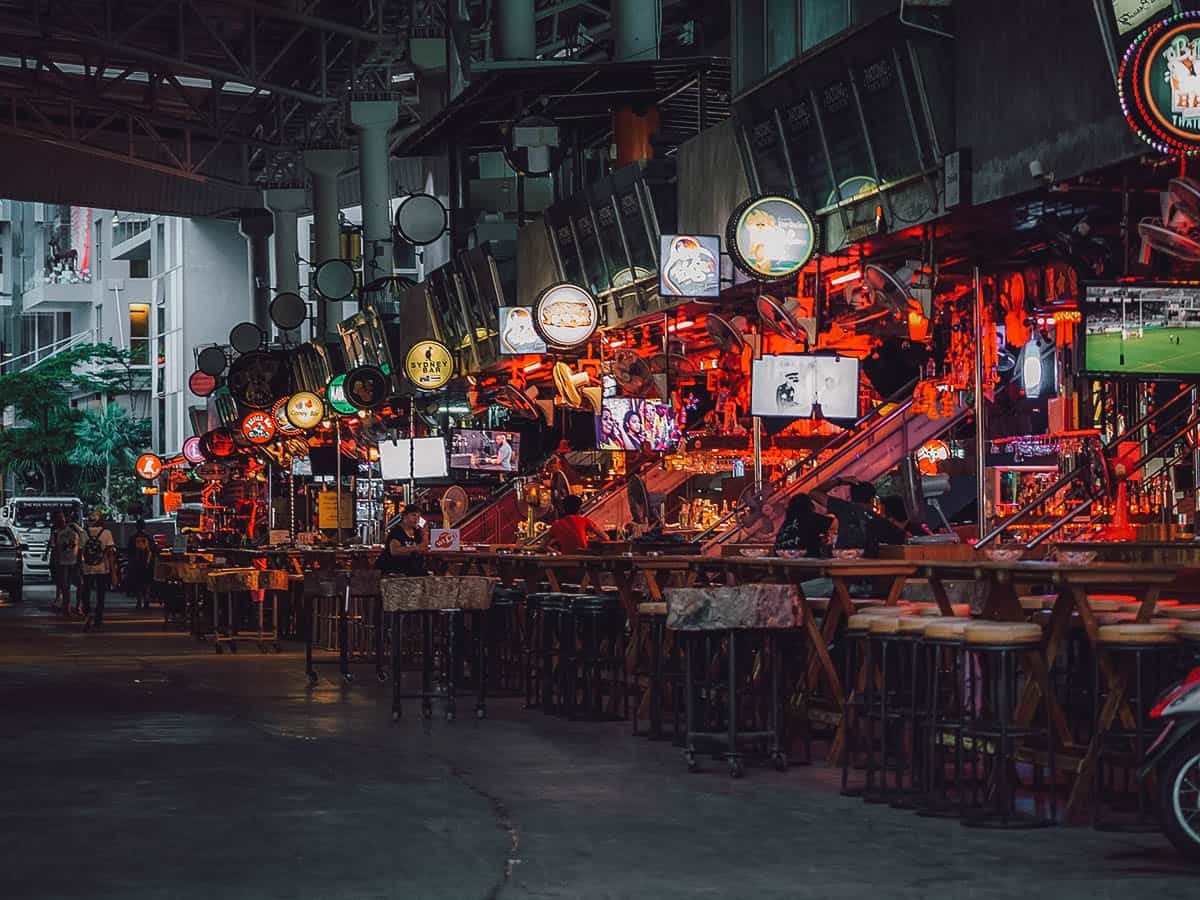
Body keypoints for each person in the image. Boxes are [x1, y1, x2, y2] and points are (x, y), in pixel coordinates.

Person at [812, 477, 880, 556]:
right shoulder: (874, 517)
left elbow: (814, 492)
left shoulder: (843, 507)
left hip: (842, 556)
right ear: (872, 499)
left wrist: (840, 481)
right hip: (869, 560)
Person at [79, 510, 115, 631]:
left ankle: (87, 613)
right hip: (102, 568)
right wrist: (114, 573)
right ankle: (98, 619)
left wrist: (79, 569)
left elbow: (81, 552)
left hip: (87, 568)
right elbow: (110, 554)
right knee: (101, 595)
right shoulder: (107, 533)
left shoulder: (84, 533)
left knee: (86, 593)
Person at [772, 493, 832, 558]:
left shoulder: (787, 522)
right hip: (806, 563)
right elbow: (835, 523)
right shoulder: (812, 518)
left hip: (780, 563)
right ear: (810, 505)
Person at [376, 506, 428, 576]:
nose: (416, 519)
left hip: (412, 569)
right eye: (413, 515)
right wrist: (415, 548)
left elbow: (423, 548)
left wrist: (424, 533)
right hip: (394, 569)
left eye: (418, 517)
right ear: (404, 516)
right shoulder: (397, 531)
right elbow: (394, 550)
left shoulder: (417, 532)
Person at [125, 519, 155, 610]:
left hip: (136, 564)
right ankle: (146, 599)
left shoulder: (132, 538)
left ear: (136, 527)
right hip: (147, 563)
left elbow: (129, 552)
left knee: (138, 582)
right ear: (144, 527)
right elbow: (153, 550)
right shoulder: (148, 538)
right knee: (147, 582)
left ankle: (138, 601)